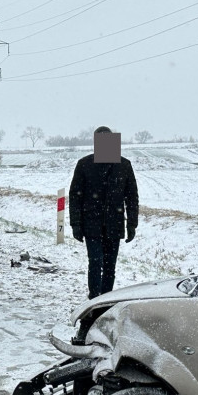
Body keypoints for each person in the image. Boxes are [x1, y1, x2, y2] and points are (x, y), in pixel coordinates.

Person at [68, 126, 139, 299]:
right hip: (91, 225)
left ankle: (105, 299)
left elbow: (132, 197)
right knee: (95, 262)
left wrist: (132, 224)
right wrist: (76, 224)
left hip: (113, 225)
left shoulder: (124, 165)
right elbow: (75, 196)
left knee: (109, 266)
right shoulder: (85, 164)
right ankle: (94, 299)